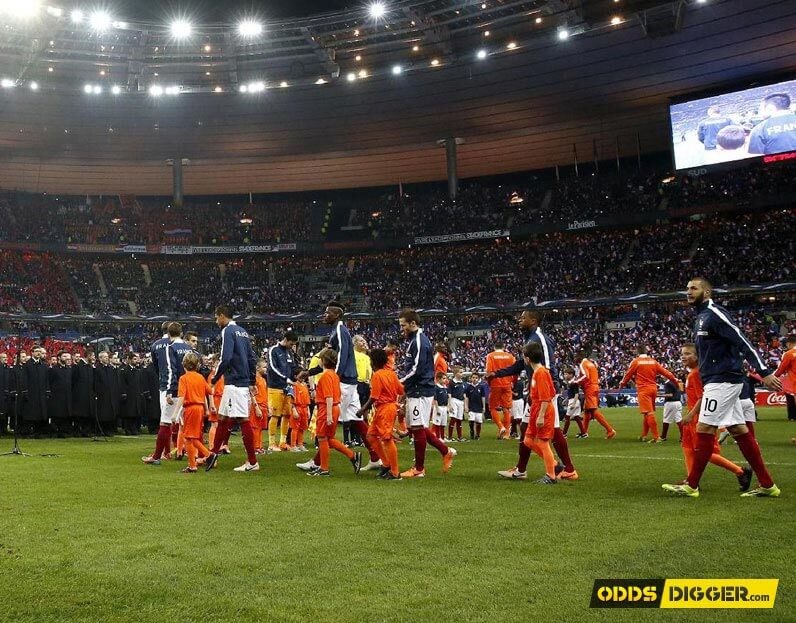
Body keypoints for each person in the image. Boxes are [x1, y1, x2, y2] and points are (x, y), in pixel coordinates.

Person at [662, 278, 781, 498]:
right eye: (687, 288)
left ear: (706, 292)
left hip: (723, 381)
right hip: (719, 380)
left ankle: (692, 485)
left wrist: (764, 372)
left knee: (704, 429)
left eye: (693, 288)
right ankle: (767, 484)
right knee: (738, 429)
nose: (688, 292)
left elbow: (742, 341)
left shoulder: (715, 314)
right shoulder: (700, 318)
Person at [489, 310, 577, 476]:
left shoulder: (540, 338)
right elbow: (521, 364)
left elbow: (549, 367)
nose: (519, 320)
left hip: (545, 393)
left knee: (554, 430)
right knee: (525, 428)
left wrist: (546, 392)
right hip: (536, 393)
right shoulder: (529, 339)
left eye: (523, 318)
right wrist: (497, 373)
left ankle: (568, 469)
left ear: (534, 320)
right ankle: (522, 469)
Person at [673, 343, 752, 492]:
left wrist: (691, 415)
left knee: (707, 453)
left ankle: (741, 471)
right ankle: (692, 481)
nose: (683, 356)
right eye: (682, 353)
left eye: (688, 353)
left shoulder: (697, 374)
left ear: (698, 356)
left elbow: (703, 397)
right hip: (693, 417)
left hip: (699, 418)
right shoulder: (693, 373)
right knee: (687, 448)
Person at [397, 309, 456, 479]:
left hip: (421, 389)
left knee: (417, 427)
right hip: (416, 389)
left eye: (403, 325)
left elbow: (417, 369)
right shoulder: (415, 340)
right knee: (419, 427)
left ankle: (419, 469)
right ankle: (445, 451)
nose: (402, 329)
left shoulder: (419, 341)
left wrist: (399, 382)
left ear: (413, 324)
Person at [205, 305, 261, 473]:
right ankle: (213, 453)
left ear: (222, 316)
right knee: (222, 418)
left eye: (216, 318)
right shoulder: (242, 331)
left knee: (243, 420)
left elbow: (226, 357)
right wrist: (252, 380)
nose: (216, 321)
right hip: (241, 381)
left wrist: (215, 378)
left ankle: (252, 461)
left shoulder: (227, 331)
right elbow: (252, 358)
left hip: (235, 382)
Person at [500, 343, 558, 484]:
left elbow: (546, 397)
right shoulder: (538, 372)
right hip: (536, 408)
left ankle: (551, 476)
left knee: (543, 442)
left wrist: (541, 415)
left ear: (527, 359)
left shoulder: (541, 373)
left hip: (542, 410)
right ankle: (555, 465)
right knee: (527, 440)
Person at [308, 348, 361, 477]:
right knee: (329, 439)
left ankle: (324, 468)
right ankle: (352, 456)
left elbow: (328, 396)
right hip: (334, 407)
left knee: (322, 437)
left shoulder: (325, 376)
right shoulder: (334, 375)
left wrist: (329, 415)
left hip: (327, 408)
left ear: (324, 360)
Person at [358, 348, 404, 480]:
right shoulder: (391, 373)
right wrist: (400, 403)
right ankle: (386, 464)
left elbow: (374, 397)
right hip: (387, 408)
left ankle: (395, 472)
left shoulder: (377, 375)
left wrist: (362, 409)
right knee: (371, 436)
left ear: (374, 362)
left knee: (387, 439)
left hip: (384, 408)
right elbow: (402, 390)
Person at [618, 346, 678, 443]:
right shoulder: (653, 361)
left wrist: (622, 384)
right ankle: (644, 435)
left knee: (648, 413)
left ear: (637, 352)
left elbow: (628, 374)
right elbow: (666, 373)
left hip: (643, 390)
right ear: (647, 352)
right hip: (653, 389)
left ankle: (656, 437)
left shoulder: (636, 361)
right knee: (647, 413)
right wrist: (675, 381)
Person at [176, 352, 215, 473]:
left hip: (190, 408)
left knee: (189, 437)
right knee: (192, 437)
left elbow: (181, 397)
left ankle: (207, 455)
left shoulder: (184, 378)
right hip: (200, 408)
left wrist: (175, 413)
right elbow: (210, 390)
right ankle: (194, 464)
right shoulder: (200, 377)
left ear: (184, 365)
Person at [267, 330, 299, 452]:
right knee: (275, 415)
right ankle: (271, 443)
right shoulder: (273, 350)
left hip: (287, 387)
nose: (292, 346)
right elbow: (272, 368)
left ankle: (282, 442)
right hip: (275, 387)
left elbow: (292, 368)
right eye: (291, 344)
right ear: (285, 339)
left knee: (287, 414)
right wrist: (286, 379)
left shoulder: (289, 352)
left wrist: (300, 374)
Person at [574, 349, 616, 439]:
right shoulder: (590, 363)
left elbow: (586, 376)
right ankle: (584, 432)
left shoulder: (583, 364)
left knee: (593, 410)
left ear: (579, 356)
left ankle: (610, 430)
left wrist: (575, 382)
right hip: (595, 387)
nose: (575, 358)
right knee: (587, 411)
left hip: (590, 388)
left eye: (576, 356)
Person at [485, 341, 516, 439]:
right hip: (507, 384)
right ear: (504, 347)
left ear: (494, 347)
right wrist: (512, 382)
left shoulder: (490, 356)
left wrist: (489, 382)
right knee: (506, 408)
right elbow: (515, 371)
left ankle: (501, 426)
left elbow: (489, 371)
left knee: (493, 407)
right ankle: (507, 434)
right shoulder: (510, 356)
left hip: (495, 383)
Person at [20, 346, 49, 437]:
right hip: (31, 393)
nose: (38, 353)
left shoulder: (44, 365)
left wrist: (47, 391)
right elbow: (24, 379)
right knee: (30, 413)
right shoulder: (27, 364)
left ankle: (38, 431)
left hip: (41, 393)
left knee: (41, 412)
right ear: (32, 352)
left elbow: (46, 380)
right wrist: (25, 391)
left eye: (39, 351)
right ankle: (27, 431)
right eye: (36, 351)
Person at [93, 351, 120, 435]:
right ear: (100, 358)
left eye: (107, 356)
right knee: (103, 413)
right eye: (105, 357)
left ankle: (109, 429)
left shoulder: (110, 369)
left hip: (110, 394)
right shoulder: (97, 369)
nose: (107, 358)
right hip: (102, 395)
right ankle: (101, 430)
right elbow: (95, 383)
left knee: (110, 412)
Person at [47, 351, 73, 437]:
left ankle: (64, 431)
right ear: (59, 358)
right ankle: (55, 431)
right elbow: (49, 382)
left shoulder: (69, 369)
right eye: (64, 356)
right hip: (56, 396)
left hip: (67, 396)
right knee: (57, 415)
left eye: (67, 357)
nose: (66, 358)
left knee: (65, 414)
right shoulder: (53, 369)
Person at [774, 335, 796, 422]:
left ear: (789, 343)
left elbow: (781, 369)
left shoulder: (789, 354)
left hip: (794, 380)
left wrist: (773, 377)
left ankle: (792, 417)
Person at [250, 358, 269, 455]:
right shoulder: (254, 380)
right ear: (257, 368)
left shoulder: (263, 379)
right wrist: (256, 407)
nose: (266, 369)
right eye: (264, 367)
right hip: (257, 406)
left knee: (260, 428)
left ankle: (259, 447)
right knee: (255, 428)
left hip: (264, 406)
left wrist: (268, 407)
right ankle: (255, 447)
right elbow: (251, 394)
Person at [561, 367, 586, 438]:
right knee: (577, 418)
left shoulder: (574, 383)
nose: (564, 375)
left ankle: (564, 434)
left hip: (574, 401)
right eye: (564, 374)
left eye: (566, 374)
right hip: (573, 401)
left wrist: (573, 403)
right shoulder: (570, 383)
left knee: (567, 417)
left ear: (571, 375)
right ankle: (583, 433)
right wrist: (566, 400)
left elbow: (576, 394)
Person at [291, 372, 311, 452]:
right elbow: (291, 398)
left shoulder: (305, 385)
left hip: (304, 408)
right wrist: (293, 409)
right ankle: (293, 445)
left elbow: (307, 398)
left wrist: (308, 409)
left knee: (302, 428)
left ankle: (300, 444)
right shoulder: (294, 385)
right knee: (295, 427)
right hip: (297, 407)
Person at [447, 366, 466, 442]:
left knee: (459, 419)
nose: (462, 374)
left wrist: (465, 404)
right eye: (460, 372)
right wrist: (450, 404)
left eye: (462, 372)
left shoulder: (462, 382)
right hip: (454, 400)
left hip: (461, 401)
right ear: (455, 373)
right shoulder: (451, 382)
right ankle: (450, 437)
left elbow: (463, 394)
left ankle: (459, 437)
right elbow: (449, 394)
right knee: (453, 418)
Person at [661, 375, 683, 442]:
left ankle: (663, 436)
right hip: (678, 402)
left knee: (666, 419)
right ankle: (683, 437)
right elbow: (681, 390)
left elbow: (670, 395)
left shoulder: (668, 383)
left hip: (671, 403)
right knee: (679, 420)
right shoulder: (675, 381)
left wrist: (658, 395)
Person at [464, 373, 485, 440]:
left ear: (478, 379)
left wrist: (484, 406)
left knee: (479, 422)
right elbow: (466, 398)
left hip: (479, 407)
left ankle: (478, 435)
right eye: (473, 377)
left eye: (476, 378)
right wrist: (466, 406)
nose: (474, 379)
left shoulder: (481, 387)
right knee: (471, 420)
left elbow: (483, 397)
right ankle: (472, 432)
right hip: (471, 407)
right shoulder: (468, 388)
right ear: (471, 378)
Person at [431, 372, 450, 442]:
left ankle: (442, 437)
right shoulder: (436, 388)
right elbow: (435, 399)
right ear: (438, 379)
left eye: (446, 378)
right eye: (444, 378)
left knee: (443, 423)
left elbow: (447, 398)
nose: (445, 380)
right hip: (439, 407)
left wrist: (448, 406)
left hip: (444, 407)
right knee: (437, 423)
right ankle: (438, 437)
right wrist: (437, 408)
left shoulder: (445, 388)